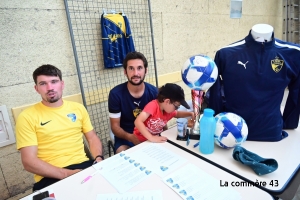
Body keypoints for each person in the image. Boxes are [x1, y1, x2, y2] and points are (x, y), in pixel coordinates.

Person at [16, 64, 104, 191]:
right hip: (50, 175)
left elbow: (92, 138)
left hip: (84, 166)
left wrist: (98, 158)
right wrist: (66, 174)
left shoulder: (78, 108)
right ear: (36, 88)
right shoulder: (26, 117)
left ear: (62, 84)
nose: (50, 87)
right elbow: (29, 161)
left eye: (54, 81)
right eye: (43, 84)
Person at [208, 23, 300, 142]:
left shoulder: (293, 53)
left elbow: (296, 93)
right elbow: (215, 92)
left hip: (271, 131)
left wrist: (289, 122)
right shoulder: (226, 54)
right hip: (231, 132)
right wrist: (215, 121)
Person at [108, 51, 158, 153]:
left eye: (139, 68)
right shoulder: (115, 94)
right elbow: (115, 126)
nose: (136, 73)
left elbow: (161, 119)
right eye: (131, 68)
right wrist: (131, 137)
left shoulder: (154, 92)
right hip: (126, 137)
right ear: (125, 72)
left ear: (146, 70)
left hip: (150, 134)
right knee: (123, 158)